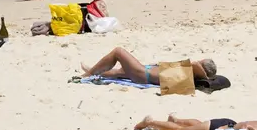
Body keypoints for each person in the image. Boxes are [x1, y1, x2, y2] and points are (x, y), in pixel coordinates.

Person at [80, 47, 214, 84]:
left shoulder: (193, 73)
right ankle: (93, 70)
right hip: (146, 72)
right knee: (119, 71)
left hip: (144, 74)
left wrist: (204, 74)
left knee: (118, 52)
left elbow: (195, 64)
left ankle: (89, 74)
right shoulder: (189, 74)